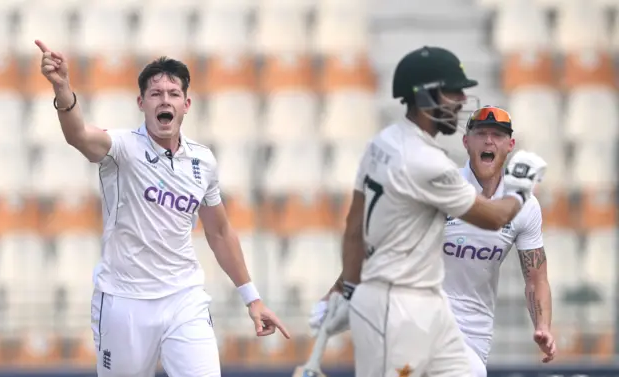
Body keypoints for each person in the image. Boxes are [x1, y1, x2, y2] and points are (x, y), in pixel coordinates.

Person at [34, 40, 289, 377]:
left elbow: (220, 230)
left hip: (184, 298)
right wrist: (63, 87)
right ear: (141, 103)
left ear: (186, 103)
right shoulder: (122, 149)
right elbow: (78, 135)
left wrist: (252, 298)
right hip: (124, 301)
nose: (164, 99)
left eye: (172, 93)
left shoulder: (203, 161)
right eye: (155, 94)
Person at [306, 46, 547, 377]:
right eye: (453, 91)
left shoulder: (382, 145)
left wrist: (341, 292)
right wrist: (521, 189)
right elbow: (493, 218)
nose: (462, 100)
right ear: (426, 96)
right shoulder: (428, 164)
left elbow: (356, 231)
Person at [442, 105, 556, 375]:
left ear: (510, 145)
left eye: (498, 135)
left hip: (475, 329)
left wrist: (542, 326)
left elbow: (536, 278)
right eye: (481, 133)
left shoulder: (525, 205)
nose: (489, 140)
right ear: (467, 142)